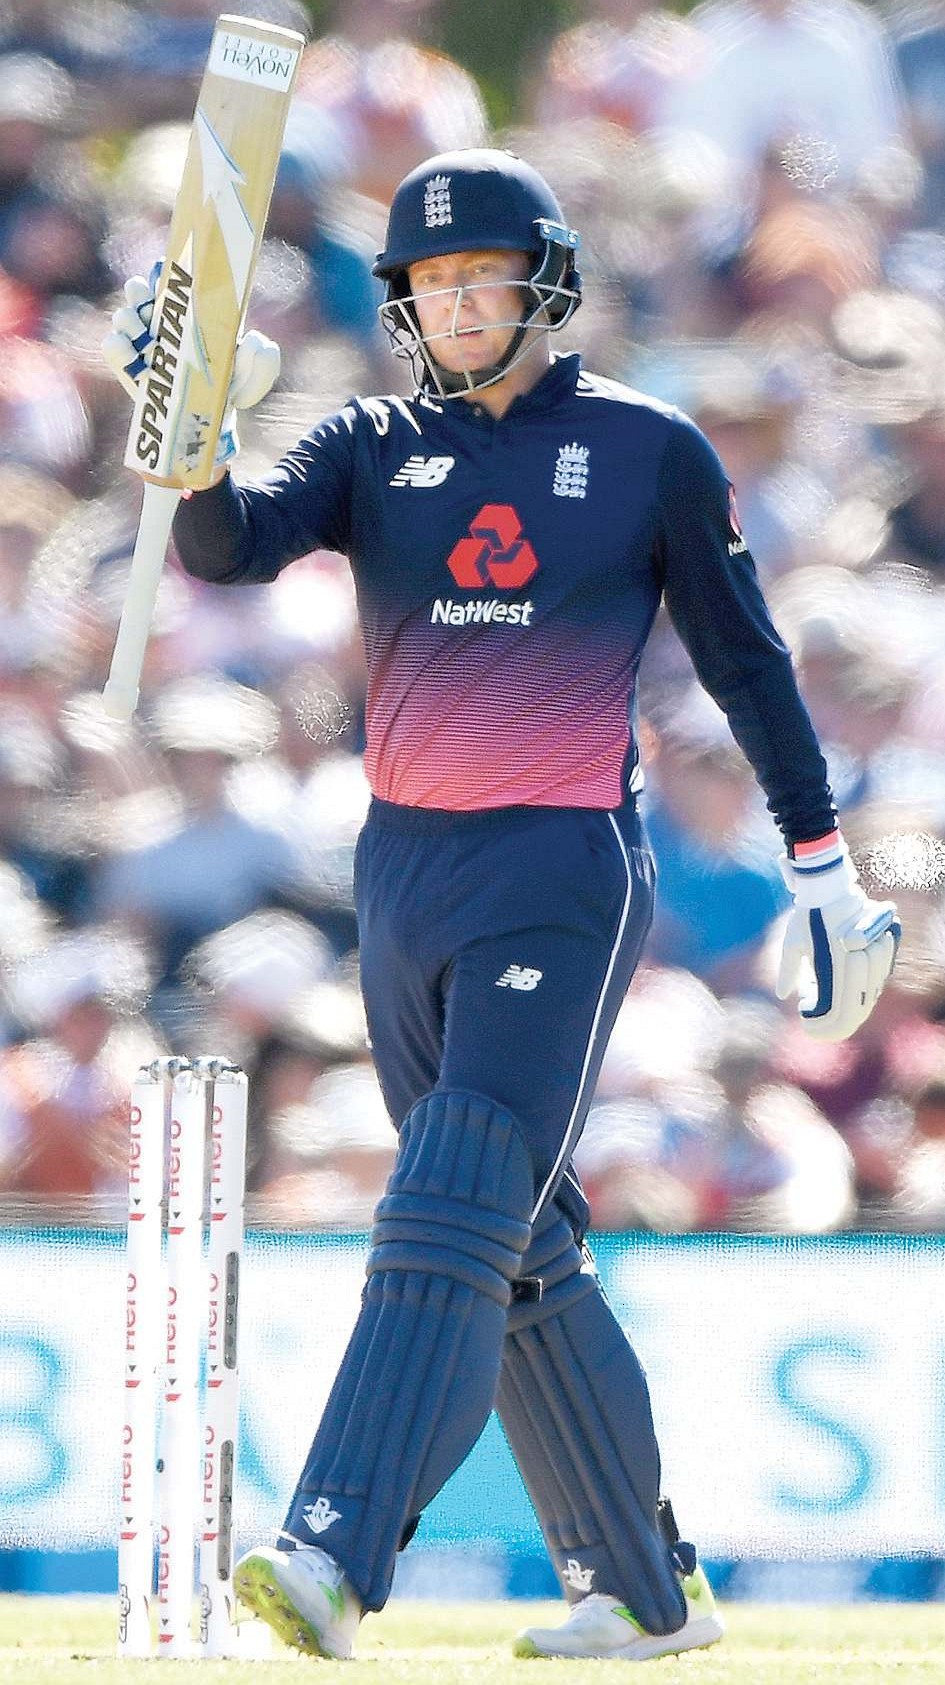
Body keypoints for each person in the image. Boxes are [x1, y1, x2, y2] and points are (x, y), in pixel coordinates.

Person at [103, 147, 900, 1662]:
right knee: (514, 1239)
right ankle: (644, 1593)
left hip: (560, 865)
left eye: (481, 278)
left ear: (544, 284)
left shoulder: (646, 448)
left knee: (453, 1190)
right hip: (403, 870)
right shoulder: (368, 441)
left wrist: (820, 860)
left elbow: (745, 659)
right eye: (429, 285)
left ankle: (333, 1546)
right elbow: (225, 548)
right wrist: (190, 435)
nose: (456, 306)